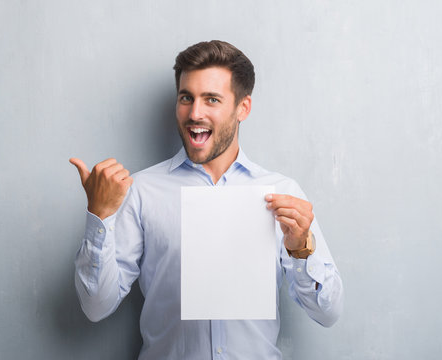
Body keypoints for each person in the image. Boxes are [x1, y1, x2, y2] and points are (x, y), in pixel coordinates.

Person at [69, 40, 343, 359]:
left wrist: (300, 248)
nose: (194, 113)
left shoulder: (284, 193)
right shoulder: (141, 191)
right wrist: (100, 216)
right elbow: (95, 307)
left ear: (243, 108)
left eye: (211, 99)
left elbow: (329, 313)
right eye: (186, 98)